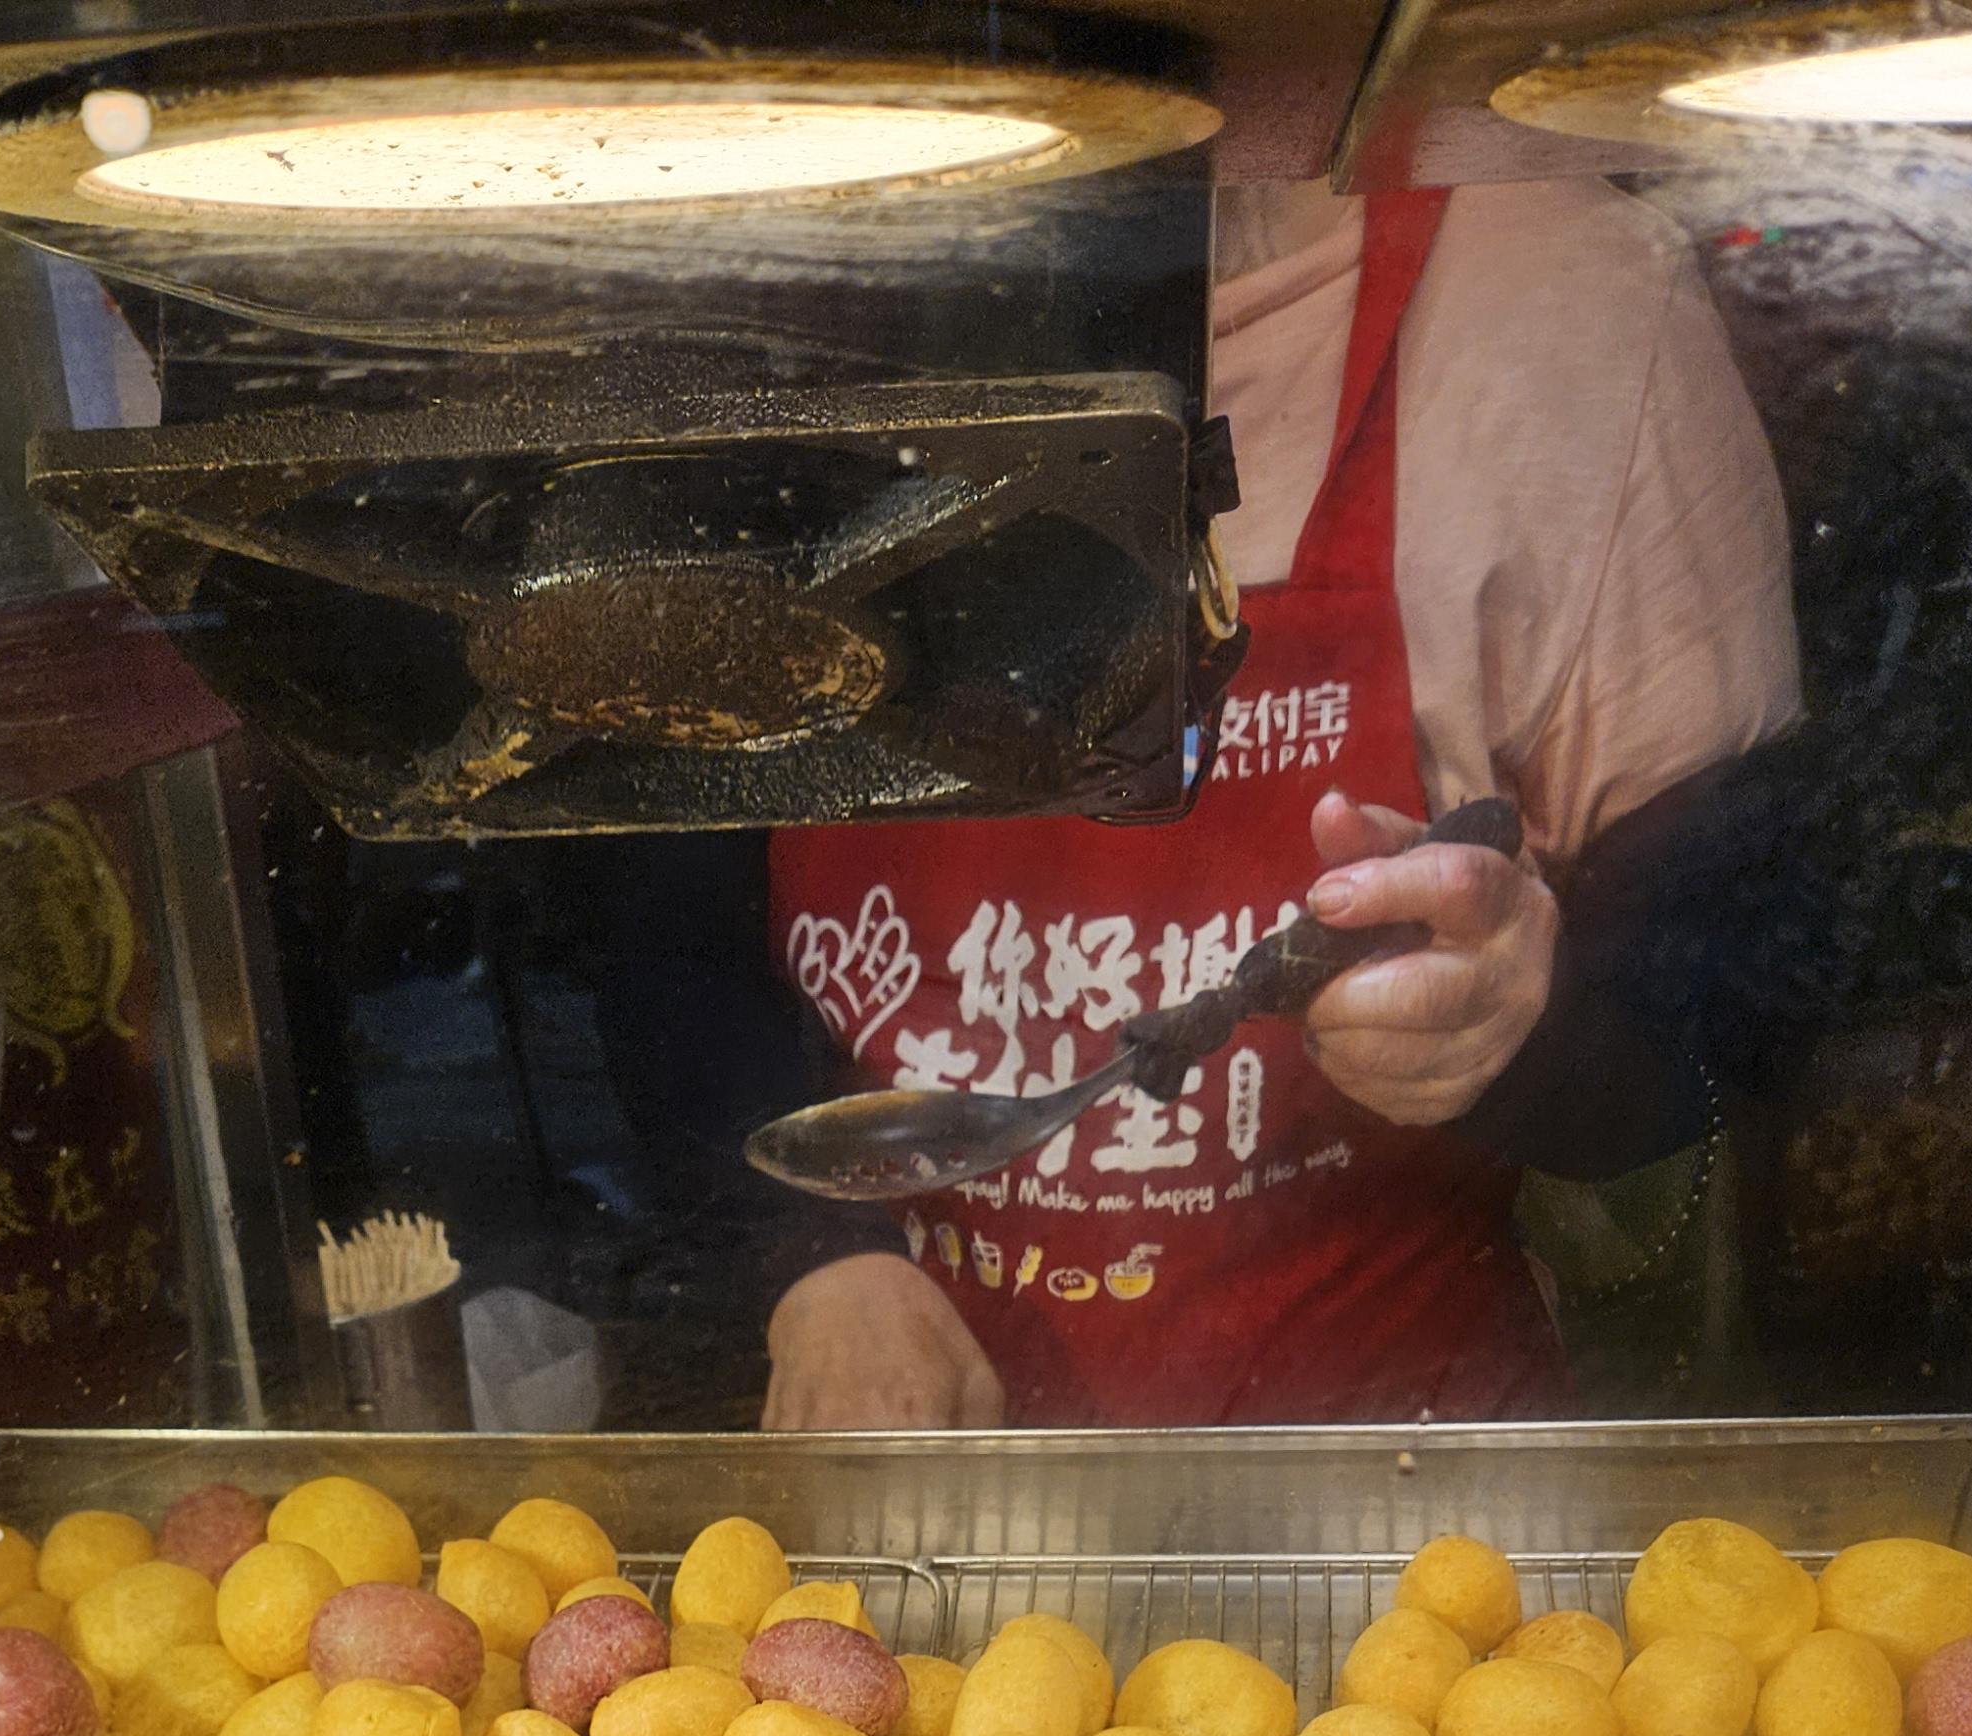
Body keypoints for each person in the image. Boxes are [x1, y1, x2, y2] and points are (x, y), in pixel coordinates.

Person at [758, 147, 1802, 1431]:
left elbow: (1739, 1033)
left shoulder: (1569, 305)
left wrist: (1525, 1033)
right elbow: (662, 941)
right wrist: (813, 1254)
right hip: (922, 1470)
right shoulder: (750, 276)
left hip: (1397, 1482)